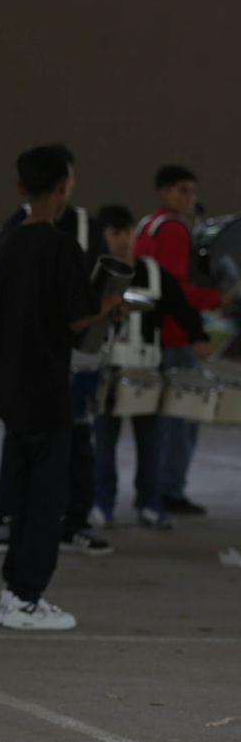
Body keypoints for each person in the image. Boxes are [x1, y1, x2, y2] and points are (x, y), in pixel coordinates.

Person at [0, 146, 125, 631]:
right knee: (47, 498)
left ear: (22, 187)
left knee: (23, 492)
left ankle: (15, 589)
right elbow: (78, 319)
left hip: (7, 383)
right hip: (46, 386)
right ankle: (25, 597)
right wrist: (109, 305)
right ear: (64, 188)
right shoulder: (61, 247)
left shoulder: (4, 243)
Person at [92, 205, 211, 529]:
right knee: (102, 445)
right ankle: (102, 502)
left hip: (147, 372)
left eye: (128, 232)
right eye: (115, 233)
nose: (124, 240)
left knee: (152, 443)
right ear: (102, 237)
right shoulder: (96, 275)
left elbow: (183, 310)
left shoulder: (155, 274)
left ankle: (149, 502)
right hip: (106, 372)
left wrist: (198, 336)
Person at [135, 165, 221, 516]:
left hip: (153, 333)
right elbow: (177, 289)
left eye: (192, 191)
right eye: (182, 190)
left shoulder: (146, 226)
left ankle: (153, 490)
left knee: (159, 420)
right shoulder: (173, 230)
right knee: (180, 419)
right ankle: (169, 489)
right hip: (176, 334)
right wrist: (216, 299)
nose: (190, 198)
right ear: (164, 192)